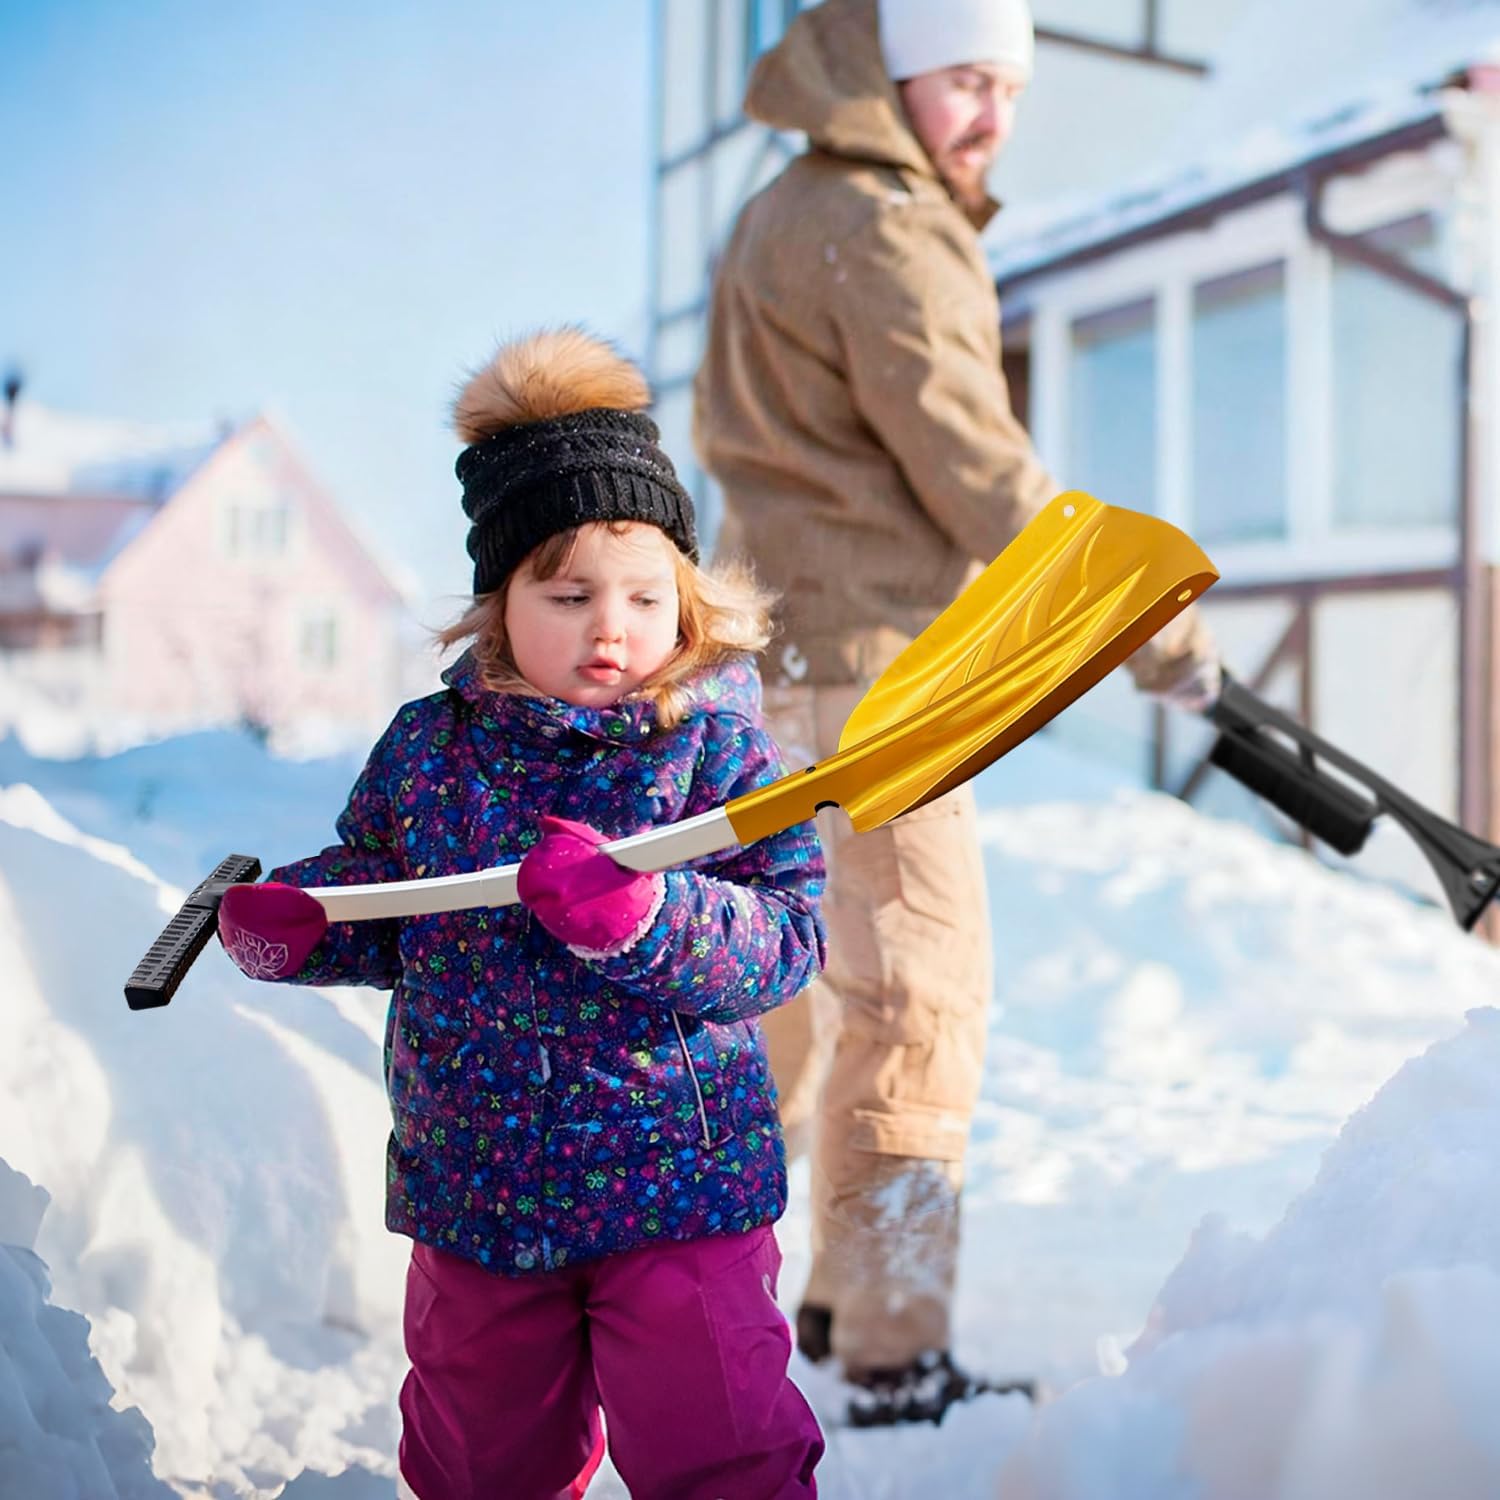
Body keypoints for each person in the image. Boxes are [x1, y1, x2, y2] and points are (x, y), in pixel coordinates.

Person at [694, 0, 1221, 1427]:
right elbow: (979, 465)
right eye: (966, 80)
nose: (994, 113)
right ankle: (886, 1344)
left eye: (1009, 85)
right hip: (869, 672)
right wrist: (1148, 620)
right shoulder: (888, 223)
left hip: (771, 665)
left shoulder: (784, 205)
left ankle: (764, 1297)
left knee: (798, 987)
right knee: (919, 994)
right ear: (892, 72)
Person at [215, 328, 828, 1499]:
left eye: (648, 595)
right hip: (478, 1184)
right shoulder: (430, 751)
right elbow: (392, 901)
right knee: (481, 1459)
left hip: (675, 1182)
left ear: (689, 600)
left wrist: (645, 920)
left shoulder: (721, 753)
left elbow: (786, 935)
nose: (614, 627)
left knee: (719, 1442)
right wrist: (303, 924)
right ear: (499, 606)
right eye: (569, 594)